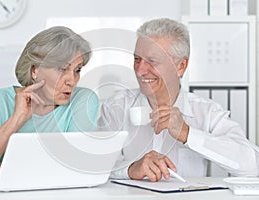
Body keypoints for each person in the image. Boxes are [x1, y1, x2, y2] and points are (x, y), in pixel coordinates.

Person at [98, 18, 259, 182]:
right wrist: (131, 169)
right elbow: (95, 166)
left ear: (181, 66)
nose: (140, 71)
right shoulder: (116, 107)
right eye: (137, 59)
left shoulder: (206, 112)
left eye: (152, 61)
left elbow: (252, 166)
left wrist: (187, 133)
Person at [0, 26, 99, 181]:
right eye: (62, 69)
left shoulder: (83, 100)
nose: (72, 81)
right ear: (35, 70)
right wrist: (16, 119)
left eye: (77, 70)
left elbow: (74, 164)